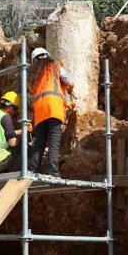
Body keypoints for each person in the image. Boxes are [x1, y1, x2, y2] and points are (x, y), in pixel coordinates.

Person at [27, 48, 74, 177]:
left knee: (39, 141)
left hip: (40, 111)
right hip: (54, 108)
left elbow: (34, 91)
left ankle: (33, 169)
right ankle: (53, 171)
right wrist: (70, 89)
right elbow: (68, 81)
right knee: (54, 141)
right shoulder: (55, 67)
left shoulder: (33, 75)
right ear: (47, 56)